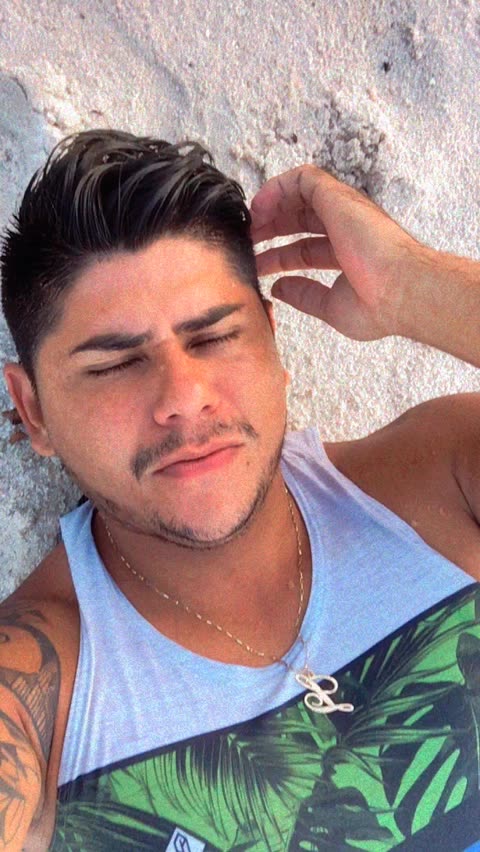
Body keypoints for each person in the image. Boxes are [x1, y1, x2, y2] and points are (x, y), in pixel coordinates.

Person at [0, 128, 479, 851]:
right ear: (32, 410)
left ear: (271, 341)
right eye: (115, 365)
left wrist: (417, 288)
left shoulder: (445, 479)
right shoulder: (34, 694)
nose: (184, 397)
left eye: (215, 336)